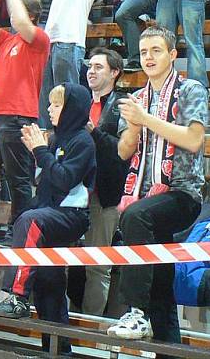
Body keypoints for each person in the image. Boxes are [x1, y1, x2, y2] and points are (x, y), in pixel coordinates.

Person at [108, 26, 207, 342]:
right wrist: (135, 125)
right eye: (144, 51)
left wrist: (146, 119)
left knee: (134, 216)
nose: (148, 57)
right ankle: (168, 345)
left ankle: (136, 312)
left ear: (173, 55)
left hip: (183, 191)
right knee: (162, 286)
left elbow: (193, 140)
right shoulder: (136, 98)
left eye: (156, 50)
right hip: (146, 193)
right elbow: (124, 150)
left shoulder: (191, 90)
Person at [0, 84, 95, 351]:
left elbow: (64, 180)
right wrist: (35, 151)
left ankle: (17, 296)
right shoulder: (57, 139)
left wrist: (40, 151)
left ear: (72, 109)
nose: (49, 109)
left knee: (29, 220)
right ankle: (59, 350)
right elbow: (45, 179)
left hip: (72, 215)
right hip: (53, 213)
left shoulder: (82, 141)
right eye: (49, 104)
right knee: (49, 282)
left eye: (57, 105)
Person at [0, 0, 49, 231]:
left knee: (19, 178)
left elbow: (21, 22)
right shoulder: (8, 40)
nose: (10, 14)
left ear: (30, 14)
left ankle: (19, 229)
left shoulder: (38, 39)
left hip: (20, 117)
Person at [81, 47, 128, 316]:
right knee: (60, 259)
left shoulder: (123, 104)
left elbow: (122, 152)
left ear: (114, 72)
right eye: (90, 66)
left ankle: (90, 324)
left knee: (98, 265)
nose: (91, 71)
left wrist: (93, 132)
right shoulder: (78, 100)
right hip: (75, 191)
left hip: (106, 193)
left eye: (99, 67)